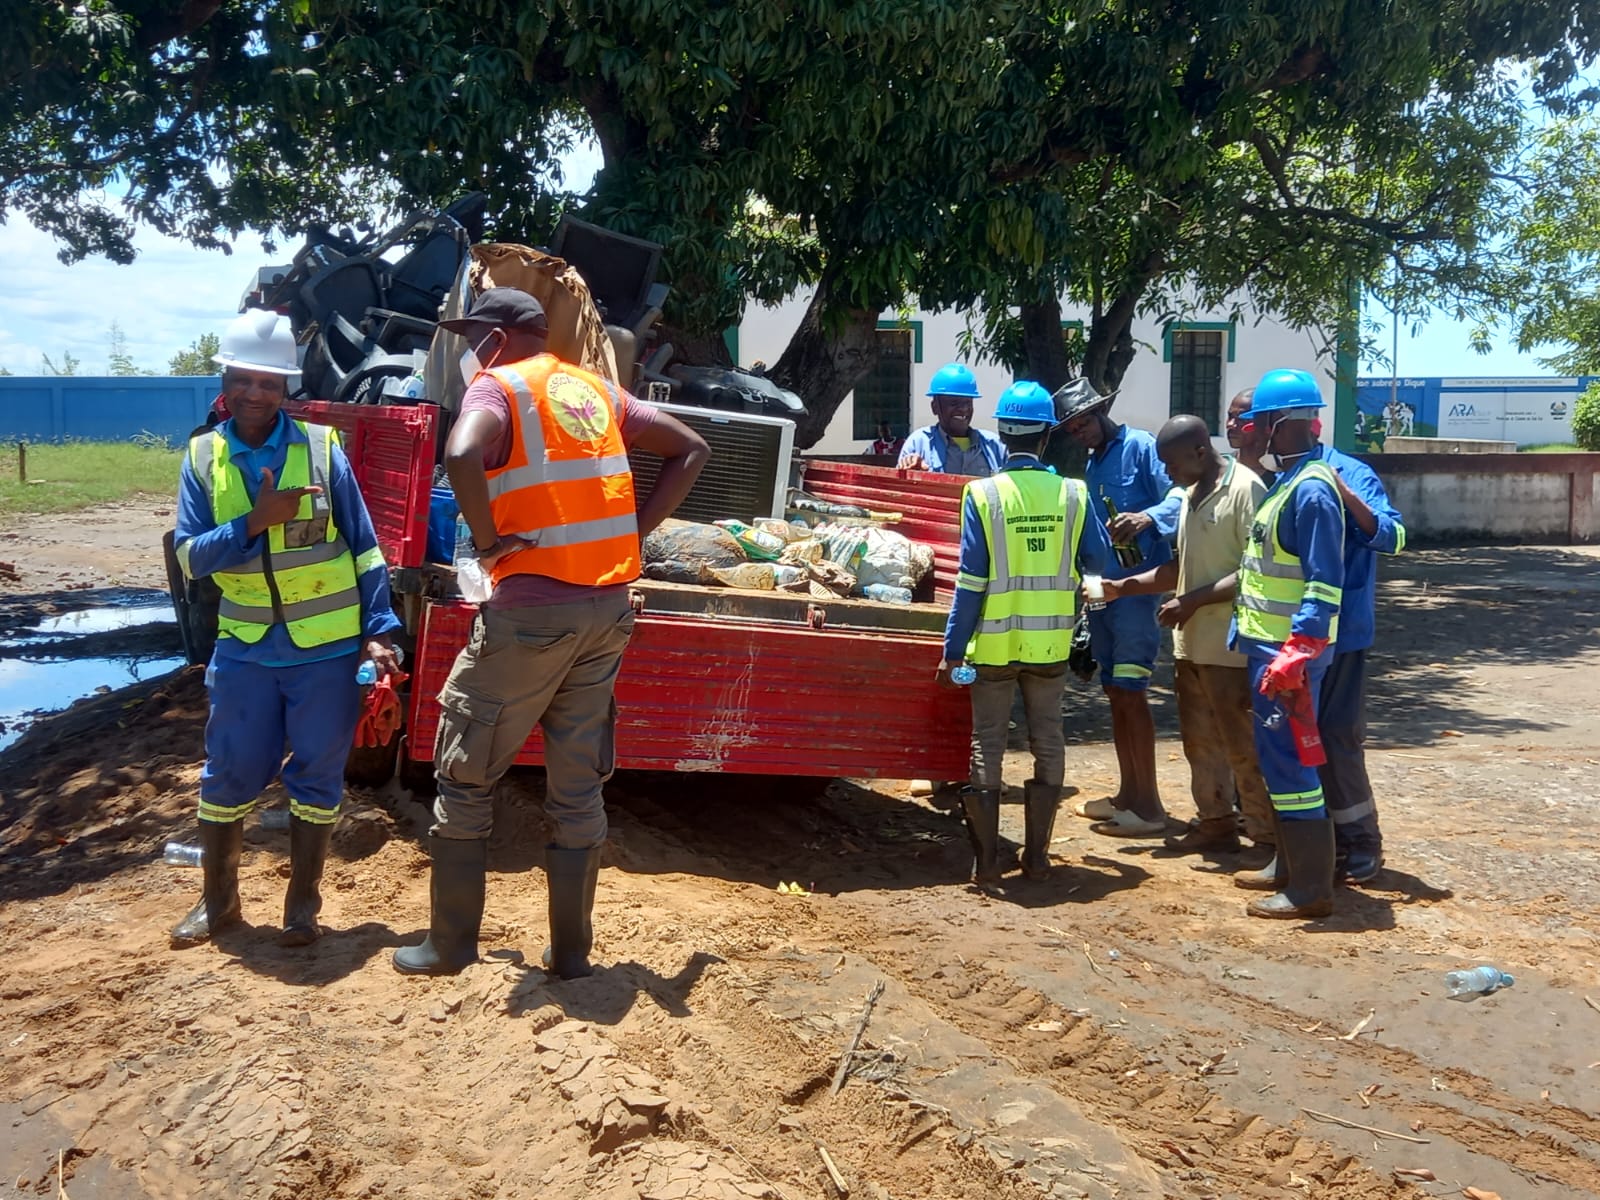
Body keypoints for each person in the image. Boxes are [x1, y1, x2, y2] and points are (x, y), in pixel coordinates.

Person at [393, 288, 709, 980]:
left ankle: (448, 946)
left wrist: (486, 539)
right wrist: (634, 534)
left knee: (465, 767)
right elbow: (691, 449)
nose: (472, 349)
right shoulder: (597, 392)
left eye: (476, 336)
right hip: (606, 609)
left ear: (500, 338)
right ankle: (570, 955)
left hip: (533, 611)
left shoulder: (497, 387)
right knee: (577, 784)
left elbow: (461, 455)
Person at [171, 309, 403, 947]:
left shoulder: (323, 451)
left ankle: (302, 906)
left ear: (286, 389)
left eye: (269, 383)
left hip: (325, 654)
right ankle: (218, 905)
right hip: (245, 650)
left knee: (318, 778)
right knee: (229, 775)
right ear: (226, 378)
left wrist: (378, 631)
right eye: (245, 379)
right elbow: (190, 558)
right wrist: (255, 521)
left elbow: (364, 549)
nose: (255, 393)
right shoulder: (202, 457)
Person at [938, 381, 1111, 885]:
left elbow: (970, 583)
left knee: (986, 744)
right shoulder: (1073, 494)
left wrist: (953, 651)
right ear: (1046, 435)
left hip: (991, 646)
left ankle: (988, 863)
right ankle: (1037, 858)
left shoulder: (984, 495)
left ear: (1002, 432)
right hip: (1051, 645)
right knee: (1049, 741)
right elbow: (1097, 561)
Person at [1104, 415, 1274, 857]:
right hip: (1191, 646)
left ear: (1200, 452)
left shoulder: (1246, 490)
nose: (1167, 474)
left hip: (1231, 647)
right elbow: (1184, 569)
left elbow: (1257, 571)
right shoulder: (1187, 497)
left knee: (1243, 749)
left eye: (1172, 463)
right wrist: (1124, 587)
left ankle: (1266, 839)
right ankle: (1214, 822)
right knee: (1200, 745)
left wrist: (1193, 601)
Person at [1229, 369, 1345, 919]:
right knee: (1279, 759)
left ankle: (1311, 888)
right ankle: (1290, 864)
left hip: (1287, 656)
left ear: (1279, 425)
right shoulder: (1290, 483)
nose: (1253, 435)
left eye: (1260, 425)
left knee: (1294, 761)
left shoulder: (1313, 492)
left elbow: (1324, 583)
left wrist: (1297, 652)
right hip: (1268, 649)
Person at [1055, 378, 1183, 836]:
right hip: (1103, 594)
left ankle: (1149, 807)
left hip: (1136, 596)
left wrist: (1148, 517)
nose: (1080, 433)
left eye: (1083, 423)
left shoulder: (1143, 448)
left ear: (1102, 411)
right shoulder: (1094, 463)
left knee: (1131, 692)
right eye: (1071, 429)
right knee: (1114, 692)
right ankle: (1128, 794)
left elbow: (1180, 496)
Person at [1317, 443, 1406, 883]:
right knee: (1297, 740)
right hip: (1286, 635)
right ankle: (1320, 841)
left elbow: (1392, 535)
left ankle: (1361, 840)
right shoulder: (1269, 476)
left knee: (1337, 736)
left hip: (1341, 632)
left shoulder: (1349, 472)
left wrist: (1347, 495)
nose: (1238, 428)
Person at [896, 363, 1005, 476]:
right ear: (935, 407)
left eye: (968, 402)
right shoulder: (919, 443)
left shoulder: (993, 445)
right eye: (954, 403)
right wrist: (912, 471)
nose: (963, 409)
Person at [1226, 388, 1270, 479]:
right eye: (1230, 416)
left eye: (1242, 419)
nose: (1230, 424)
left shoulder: (1281, 476)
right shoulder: (1221, 469)